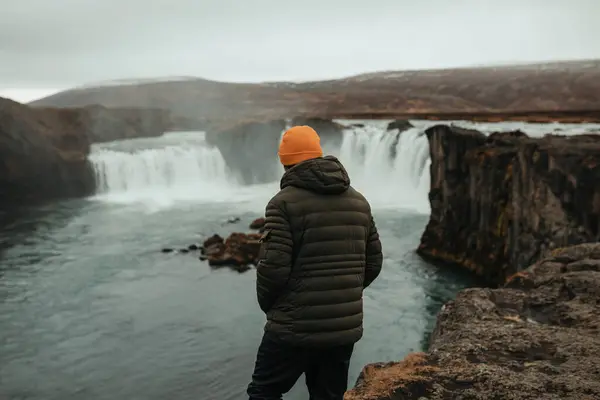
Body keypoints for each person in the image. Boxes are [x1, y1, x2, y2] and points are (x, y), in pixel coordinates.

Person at [247, 125, 383, 400]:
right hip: (342, 331)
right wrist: (343, 297)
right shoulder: (359, 201)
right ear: (319, 155)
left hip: (293, 327)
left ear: (285, 161)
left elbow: (273, 269)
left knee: (264, 392)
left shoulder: (282, 204)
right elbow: (374, 263)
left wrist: (272, 307)